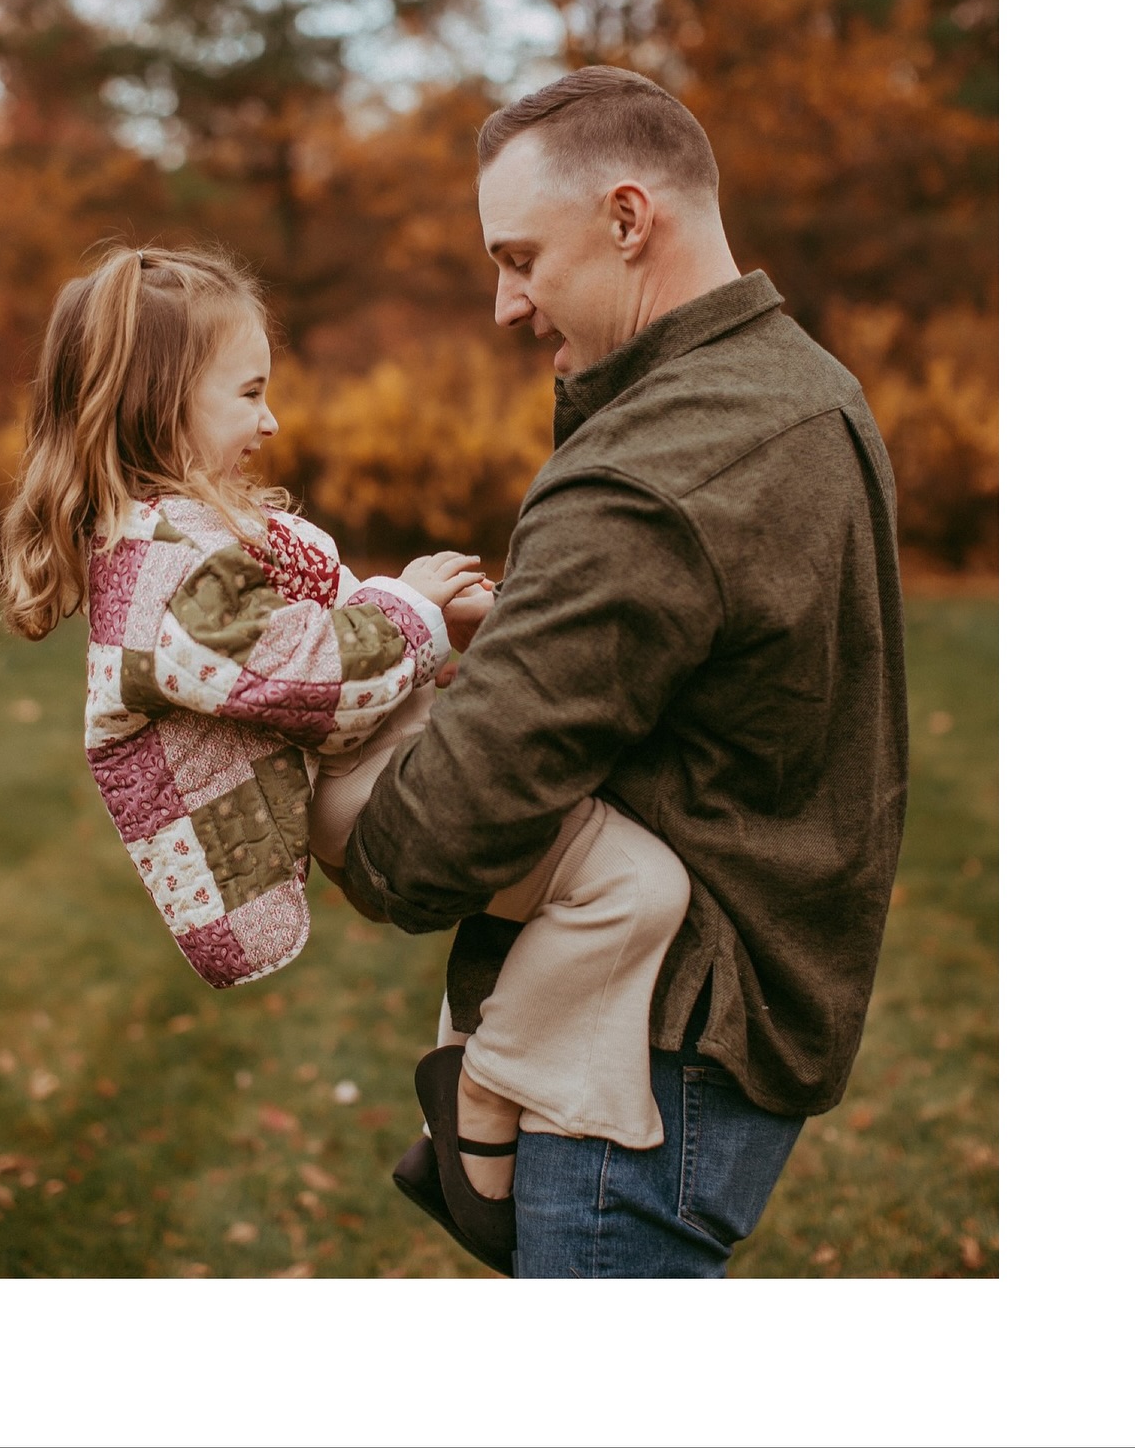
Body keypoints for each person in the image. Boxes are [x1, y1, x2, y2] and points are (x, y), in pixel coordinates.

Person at [0, 243, 694, 1270]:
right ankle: (488, 1085)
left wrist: (436, 635)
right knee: (637, 885)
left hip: (357, 762)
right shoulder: (162, 574)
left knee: (588, 838)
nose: (271, 419)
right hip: (349, 791)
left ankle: (478, 1076)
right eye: (247, 393)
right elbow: (310, 672)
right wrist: (403, 602)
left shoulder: (185, 540)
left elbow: (311, 642)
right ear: (160, 405)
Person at [340, 66, 909, 1279]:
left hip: (643, 1063)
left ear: (629, 217)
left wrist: (321, 783)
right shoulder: (812, 391)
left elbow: (430, 843)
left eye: (520, 257)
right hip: (740, 1026)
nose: (505, 303)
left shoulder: (655, 470)